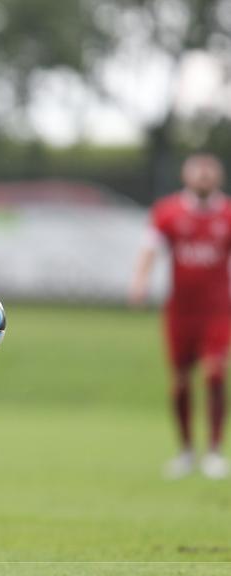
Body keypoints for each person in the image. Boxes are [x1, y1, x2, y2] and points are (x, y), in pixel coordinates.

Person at [130, 153, 230, 480]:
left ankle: (214, 452)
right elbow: (150, 249)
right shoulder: (168, 212)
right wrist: (140, 280)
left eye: (208, 172)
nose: (203, 177)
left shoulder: (228, 213)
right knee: (180, 382)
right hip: (180, 312)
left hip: (217, 310)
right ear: (186, 176)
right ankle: (186, 451)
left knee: (215, 374)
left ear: (218, 177)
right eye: (197, 172)